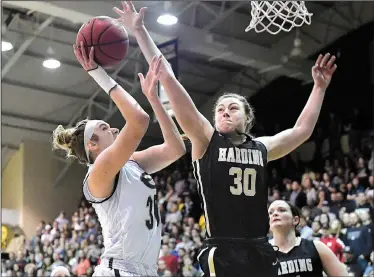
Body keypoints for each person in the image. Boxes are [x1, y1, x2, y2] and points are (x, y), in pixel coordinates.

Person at [112, 2, 338, 276]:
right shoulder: (206, 140)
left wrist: (319, 88)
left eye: (233, 108)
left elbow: (302, 130)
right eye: (220, 108)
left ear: (248, 118)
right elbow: (167, 76)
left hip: (260, 248)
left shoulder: (261, 147)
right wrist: (140, 31)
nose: (225, 112)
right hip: (223, 249)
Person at [52, 44, 186, 276]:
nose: (113, 127)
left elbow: (176, 148)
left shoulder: (132, 163)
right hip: (119, 270)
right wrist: (98, 73)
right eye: (104, 127)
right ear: (92, 145)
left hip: (147, 271)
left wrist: (154, 100)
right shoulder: (98, 172)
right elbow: (138, 119)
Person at [268, 200, 349, 276]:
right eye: (270, 212)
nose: (274, 214)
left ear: (295, 220)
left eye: (281, 210)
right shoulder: (261, 253)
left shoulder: (317, 247)